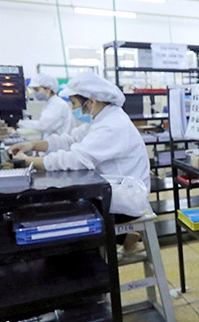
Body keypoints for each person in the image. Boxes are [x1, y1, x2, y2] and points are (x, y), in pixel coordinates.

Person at [8, 72, 150, 256]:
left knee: (66, 216)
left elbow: (76, 159)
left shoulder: (112, 125)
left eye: (74, 103)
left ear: (91, 101)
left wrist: (28, 161)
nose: (74, 108)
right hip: (112, 190)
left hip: (124, 200)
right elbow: (70, 139)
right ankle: (124, 242)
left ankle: (93, 268)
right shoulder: (102, 119)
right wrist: (33, 145)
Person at [17, 73, 73, 139]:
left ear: (48, 88)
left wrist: (18, 123)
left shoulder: (57, 105)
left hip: (60, 145)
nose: (35, 93)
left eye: (37, 90)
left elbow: (43, 126)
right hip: (54, 143)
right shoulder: (50, 103)